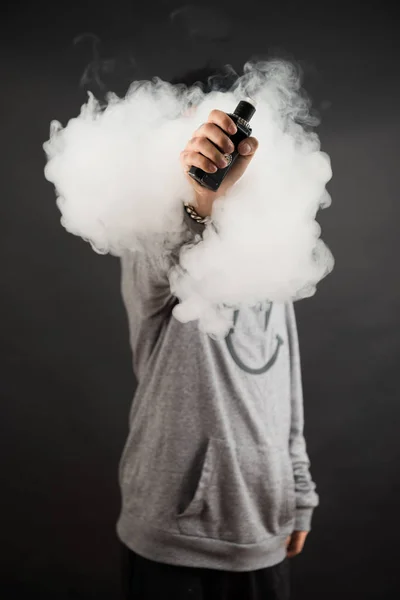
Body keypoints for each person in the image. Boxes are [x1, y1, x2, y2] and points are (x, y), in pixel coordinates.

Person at [116, 64, 319, 600]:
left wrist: (299, 495)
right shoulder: (151, 241)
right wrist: (201, 197)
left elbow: (286, 389)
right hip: (174, 538)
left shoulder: (272, 254)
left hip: (264, 529)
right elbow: (172, 251)